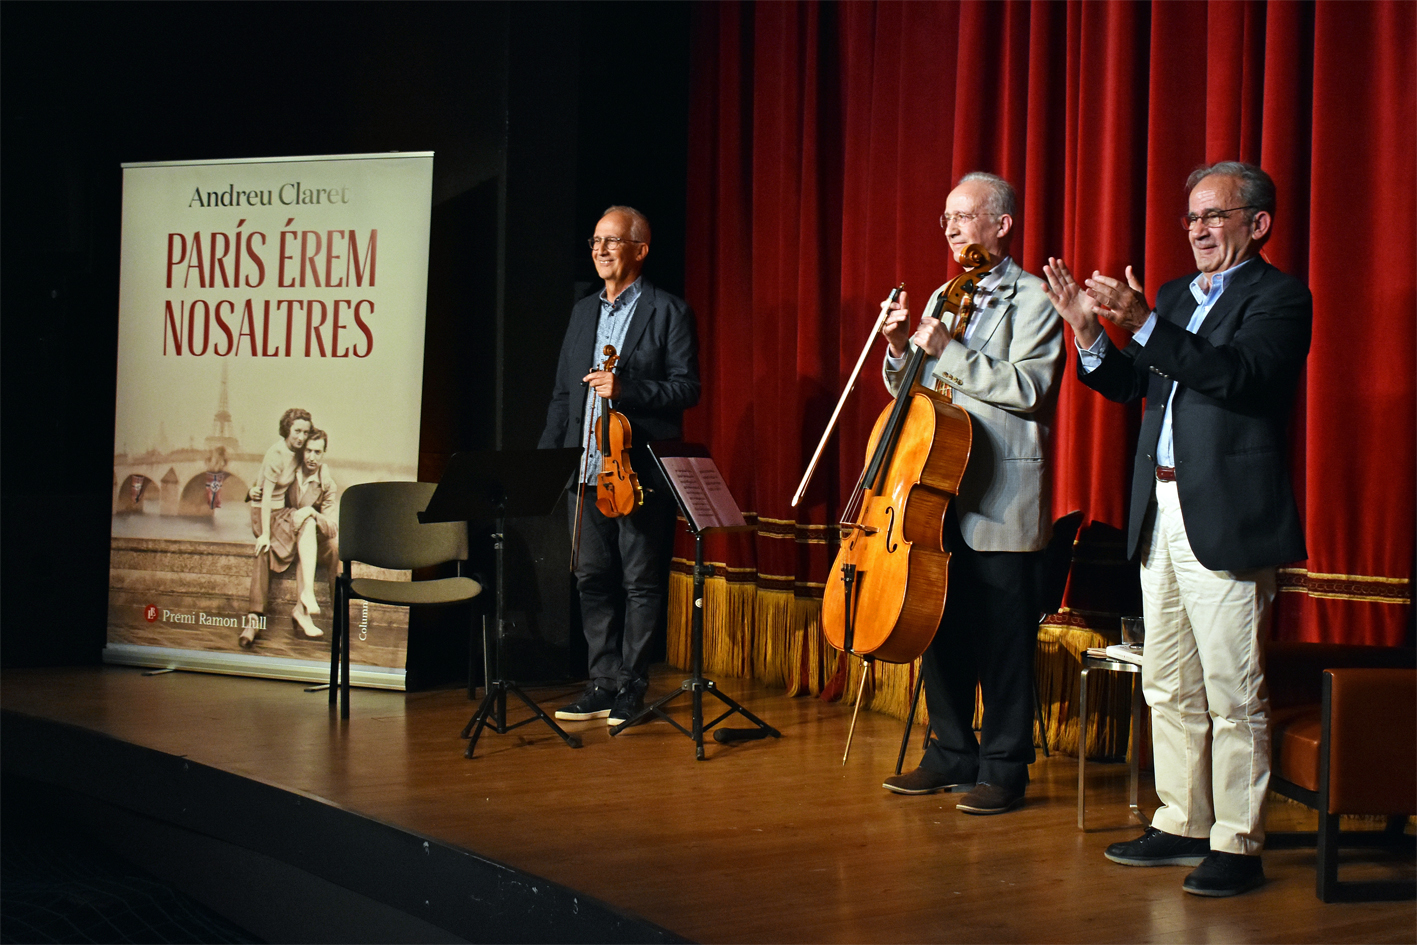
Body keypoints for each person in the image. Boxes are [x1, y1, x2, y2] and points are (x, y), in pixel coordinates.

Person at [1042, 161, 1312, 897]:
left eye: (1213, 216)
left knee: (1232, 689)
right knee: (1167, 682)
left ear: (1256, 225)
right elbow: (1138, 384)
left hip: (1226, 514)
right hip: (1158, 514)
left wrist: (1147, 325)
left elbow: (1238, 378)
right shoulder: (1170, 297)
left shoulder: (1279, 298)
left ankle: (1236, 839)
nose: (1196, 229)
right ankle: (1181, 819)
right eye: (1190, 217)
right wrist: (1089, 335)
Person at [878, 172, 1066, 815]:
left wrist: (949, 350)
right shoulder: (942, 292)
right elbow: (915, 387)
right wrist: (901, 347)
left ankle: (1005, 766)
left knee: (1003, 638)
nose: (953, 228)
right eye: (947, 218)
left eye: (964, 216)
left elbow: (1031, 389)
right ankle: (950, 752)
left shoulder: (1036, 299)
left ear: (1002, 225)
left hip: (1001, 492)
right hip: (936, 486)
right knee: (939, 624)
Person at [539, 205, 700, 727]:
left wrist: (627, 389)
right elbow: (564, 394)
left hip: (637, 475)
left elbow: (687, 389)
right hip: (585, 473)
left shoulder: (668, 310)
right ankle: (601, 682)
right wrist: (550, 462)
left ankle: (632, 685)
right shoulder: (583, 311)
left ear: (640, 249)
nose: (600, 249)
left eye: (611, 241)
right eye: (595, 241)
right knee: (590, 578)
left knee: (640, 582)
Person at [243, 407, 313, 646]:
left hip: (281, 512)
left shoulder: (300, 451)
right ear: (287, 429)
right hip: (263, 512)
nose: (301, 437)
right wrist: (263, 534)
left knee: (304, 528)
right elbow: (263, 497)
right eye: (297, 431)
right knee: (263, 549)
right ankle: (254, 618)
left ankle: (297, 608)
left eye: (305, 432)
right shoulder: (277, 454)